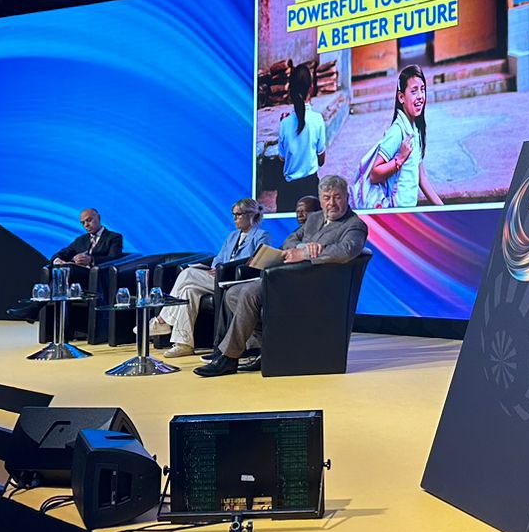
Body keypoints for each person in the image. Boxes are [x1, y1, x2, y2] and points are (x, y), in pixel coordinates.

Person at [196, 175, 368, 377]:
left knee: (249, 293)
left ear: (347, 197)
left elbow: (346, 251)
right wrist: (303, 247)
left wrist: (305, 254)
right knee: (233, 293)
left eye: (337, 197)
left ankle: (228, 357)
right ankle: (266, 348)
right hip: (288, 279)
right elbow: (289, 242)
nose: (332, 203)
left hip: (315, 287)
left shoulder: (354, 225)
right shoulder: (314, 218)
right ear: (321, 199)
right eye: (326, 197)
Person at [153, 198, 270, 357]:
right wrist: (216, 267)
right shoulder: (232, 236)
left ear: (251, 215)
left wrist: (225, 269)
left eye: (238, 214)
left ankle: (162, 320)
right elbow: (219, 258)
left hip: (235, 279)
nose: (234, 218)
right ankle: (183, 344)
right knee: (188, 291)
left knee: (187, 274)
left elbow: (255, 261)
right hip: (218, 276)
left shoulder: (261, 235)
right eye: (233, 214)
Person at [6, 208, 123, 320]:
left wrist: (91, 260)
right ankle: (36, 311)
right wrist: (58, 261)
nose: (86, 225)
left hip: (96, 276)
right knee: (59, 269)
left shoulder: (114, 237)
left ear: (98, 218)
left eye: (89, 220)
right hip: (74, 276)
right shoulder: (81, 240)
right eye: (83, 223)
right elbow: (60, 254)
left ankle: (33, 309)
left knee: (65, 270)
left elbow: (114, 258)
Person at [368, 65, 444, 207]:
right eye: (414, 91)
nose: (420, 96)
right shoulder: (397, 131)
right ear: (401, 97)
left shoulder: (415, 129)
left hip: (409, 211)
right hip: (396, 212)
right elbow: (374, 174)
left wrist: (443, 209)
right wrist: (400, 159)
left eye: (422, 89)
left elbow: (422, 178)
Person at [276, 63, 328, 204]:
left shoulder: (284, 123)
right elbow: (321, 161)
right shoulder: (317, 119)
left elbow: (282, 158)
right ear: (311, 88)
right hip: (310, 189)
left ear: (291, 90)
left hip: (288, 192)